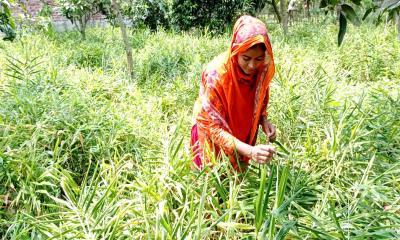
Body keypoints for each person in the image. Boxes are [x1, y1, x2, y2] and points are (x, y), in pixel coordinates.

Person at [190, 15, 277, 171]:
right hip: (213, 137)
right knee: (212, 183)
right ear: (235, 50)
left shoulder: (260, 70)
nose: (252, 65)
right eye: (246, 58)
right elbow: (213, 127)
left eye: (258, 58)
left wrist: (264, 120)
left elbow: (260, 98)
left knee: (236, 184)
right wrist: (251, 151)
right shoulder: (216, 76)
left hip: (241, 130)